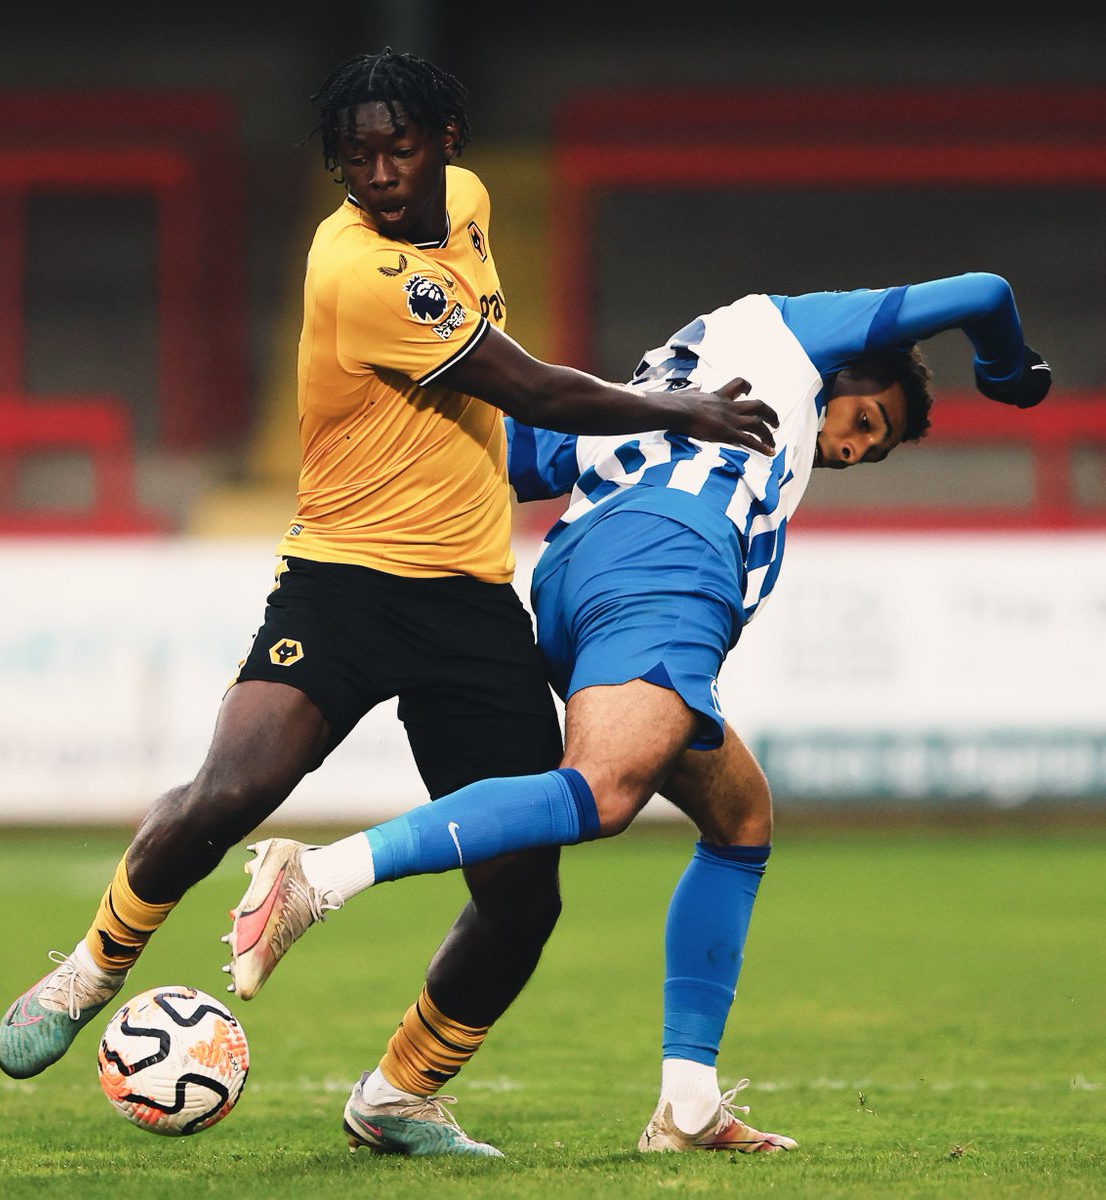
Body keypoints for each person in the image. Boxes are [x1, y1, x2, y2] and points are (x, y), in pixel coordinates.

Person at [0, 48, 778, 1159]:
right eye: (353, 155)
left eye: (396, 145)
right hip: (345, 580)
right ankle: (89, 971)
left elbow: (506, 406)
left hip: (468, 600)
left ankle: (401, 1096)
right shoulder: (355, 268)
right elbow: (527, 385)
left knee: (523, 897)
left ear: (445, 141)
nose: (377, 170)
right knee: (232, 790)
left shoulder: (468, 205)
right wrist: (676, 408)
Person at [223, 271, 1051, 1154]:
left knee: (740, 818)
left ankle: (682, 1106)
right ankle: (317, 879)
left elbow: (513, 455)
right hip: (667, 562)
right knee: (605, 793)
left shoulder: (665, 378)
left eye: (870, 451)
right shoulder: (788, 335)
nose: (851, 449)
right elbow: (985, 291)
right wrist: (1009, 369)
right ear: (844, 368)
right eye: (865, 422)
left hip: (585, 572)